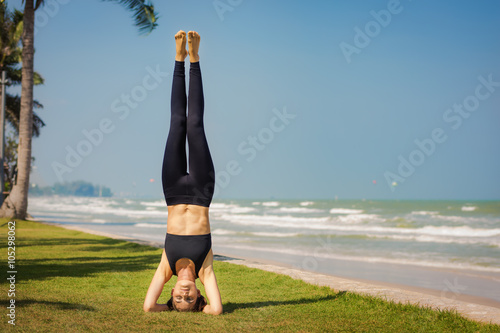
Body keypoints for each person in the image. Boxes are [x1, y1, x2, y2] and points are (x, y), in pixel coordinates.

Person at [143, 30, 222, 315]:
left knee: (177, 123)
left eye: (178, 299)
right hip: (202, 191)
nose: (184, 296)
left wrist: (166, 308)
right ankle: (195, 59)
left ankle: (178, 59)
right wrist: (202, 309)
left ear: (171, 291)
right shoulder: (205, 269)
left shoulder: (166, 267)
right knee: (195, 126)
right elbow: (216, 310)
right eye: (190, 300)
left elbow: (149, 307)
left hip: (173, 190)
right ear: (200, 294)